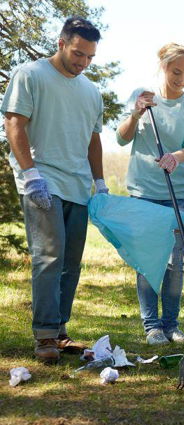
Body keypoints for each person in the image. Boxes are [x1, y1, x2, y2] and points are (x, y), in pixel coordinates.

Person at [1, 17, 106, 362]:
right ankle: (45, 336)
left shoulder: (91, 91)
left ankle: (60, 331)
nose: (83, 62)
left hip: (78, 185)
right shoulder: (30, 74)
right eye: (78, 53)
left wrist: (100, 182)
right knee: (48, 256)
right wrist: (30, 174)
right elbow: (15, 122)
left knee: (71, 263)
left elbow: (93, 141)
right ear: (61, 43)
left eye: (90, 57)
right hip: (43, 179)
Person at [116, 43, 184, 345]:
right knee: (147, 261)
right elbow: (121, 137)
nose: (181, 79)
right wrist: (136, 113)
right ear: (163, 67)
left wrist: (176, 157)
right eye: (175, 71)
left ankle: (171, 325)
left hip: (177, 192)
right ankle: (152, 326)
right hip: (143, 191)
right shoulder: (144, 97)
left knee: (174, 263)